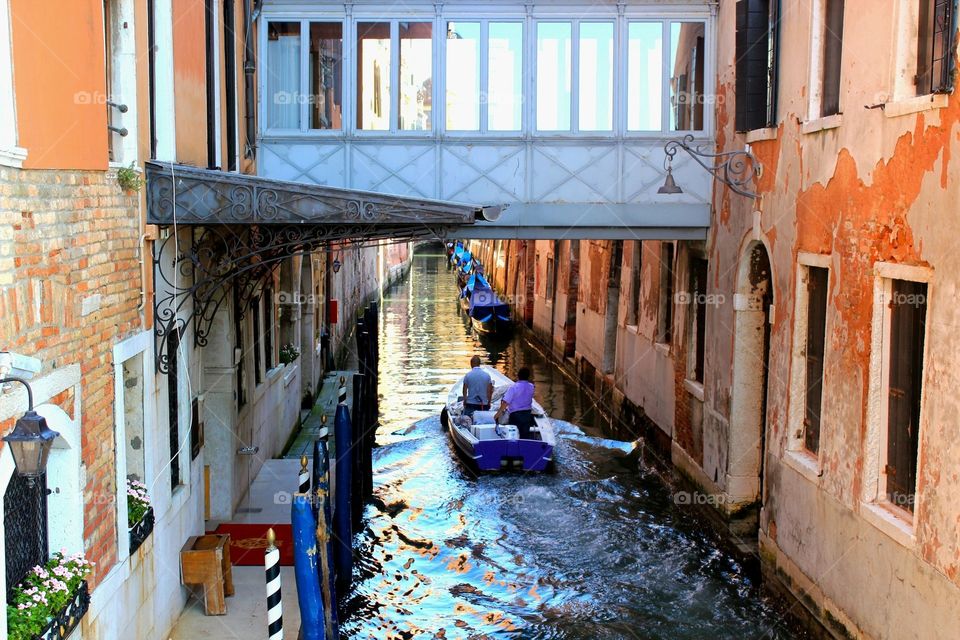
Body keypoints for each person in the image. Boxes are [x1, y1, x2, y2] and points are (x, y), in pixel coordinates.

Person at [494, 367, 536, 439]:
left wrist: (497, 415)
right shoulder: (531, 387)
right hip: (527, 415)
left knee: (514, 435)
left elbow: (505, 403)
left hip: (515, 415)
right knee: (525, 436)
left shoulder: (513, 387)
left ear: (518, 376)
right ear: (528, 377)